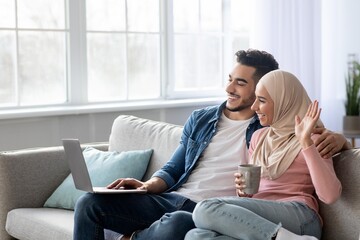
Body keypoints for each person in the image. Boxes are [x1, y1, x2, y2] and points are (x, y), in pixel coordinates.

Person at [74, 49, 350, 240]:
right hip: (176, 198)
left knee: (182, 224)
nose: (230, 88)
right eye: (230, 79)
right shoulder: (207, 120)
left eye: (241, 83)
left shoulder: (266, 124)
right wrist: (147, 185)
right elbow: (175, 166)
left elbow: (302, 139)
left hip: (204, 208)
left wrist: (339, 140)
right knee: (89, 203)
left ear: (263, 90)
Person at [184, 70, 342, 240]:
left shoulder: (314, 139)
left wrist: (305, 142)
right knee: (197, 235)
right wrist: (244, 193)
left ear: (284, 102)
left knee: (204, 208)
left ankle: (283, 237)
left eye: (262, 100)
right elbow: (256, 192)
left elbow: (330, 195)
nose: (254, 107)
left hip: (299, 217)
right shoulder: (259, 137)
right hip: (261, 218)